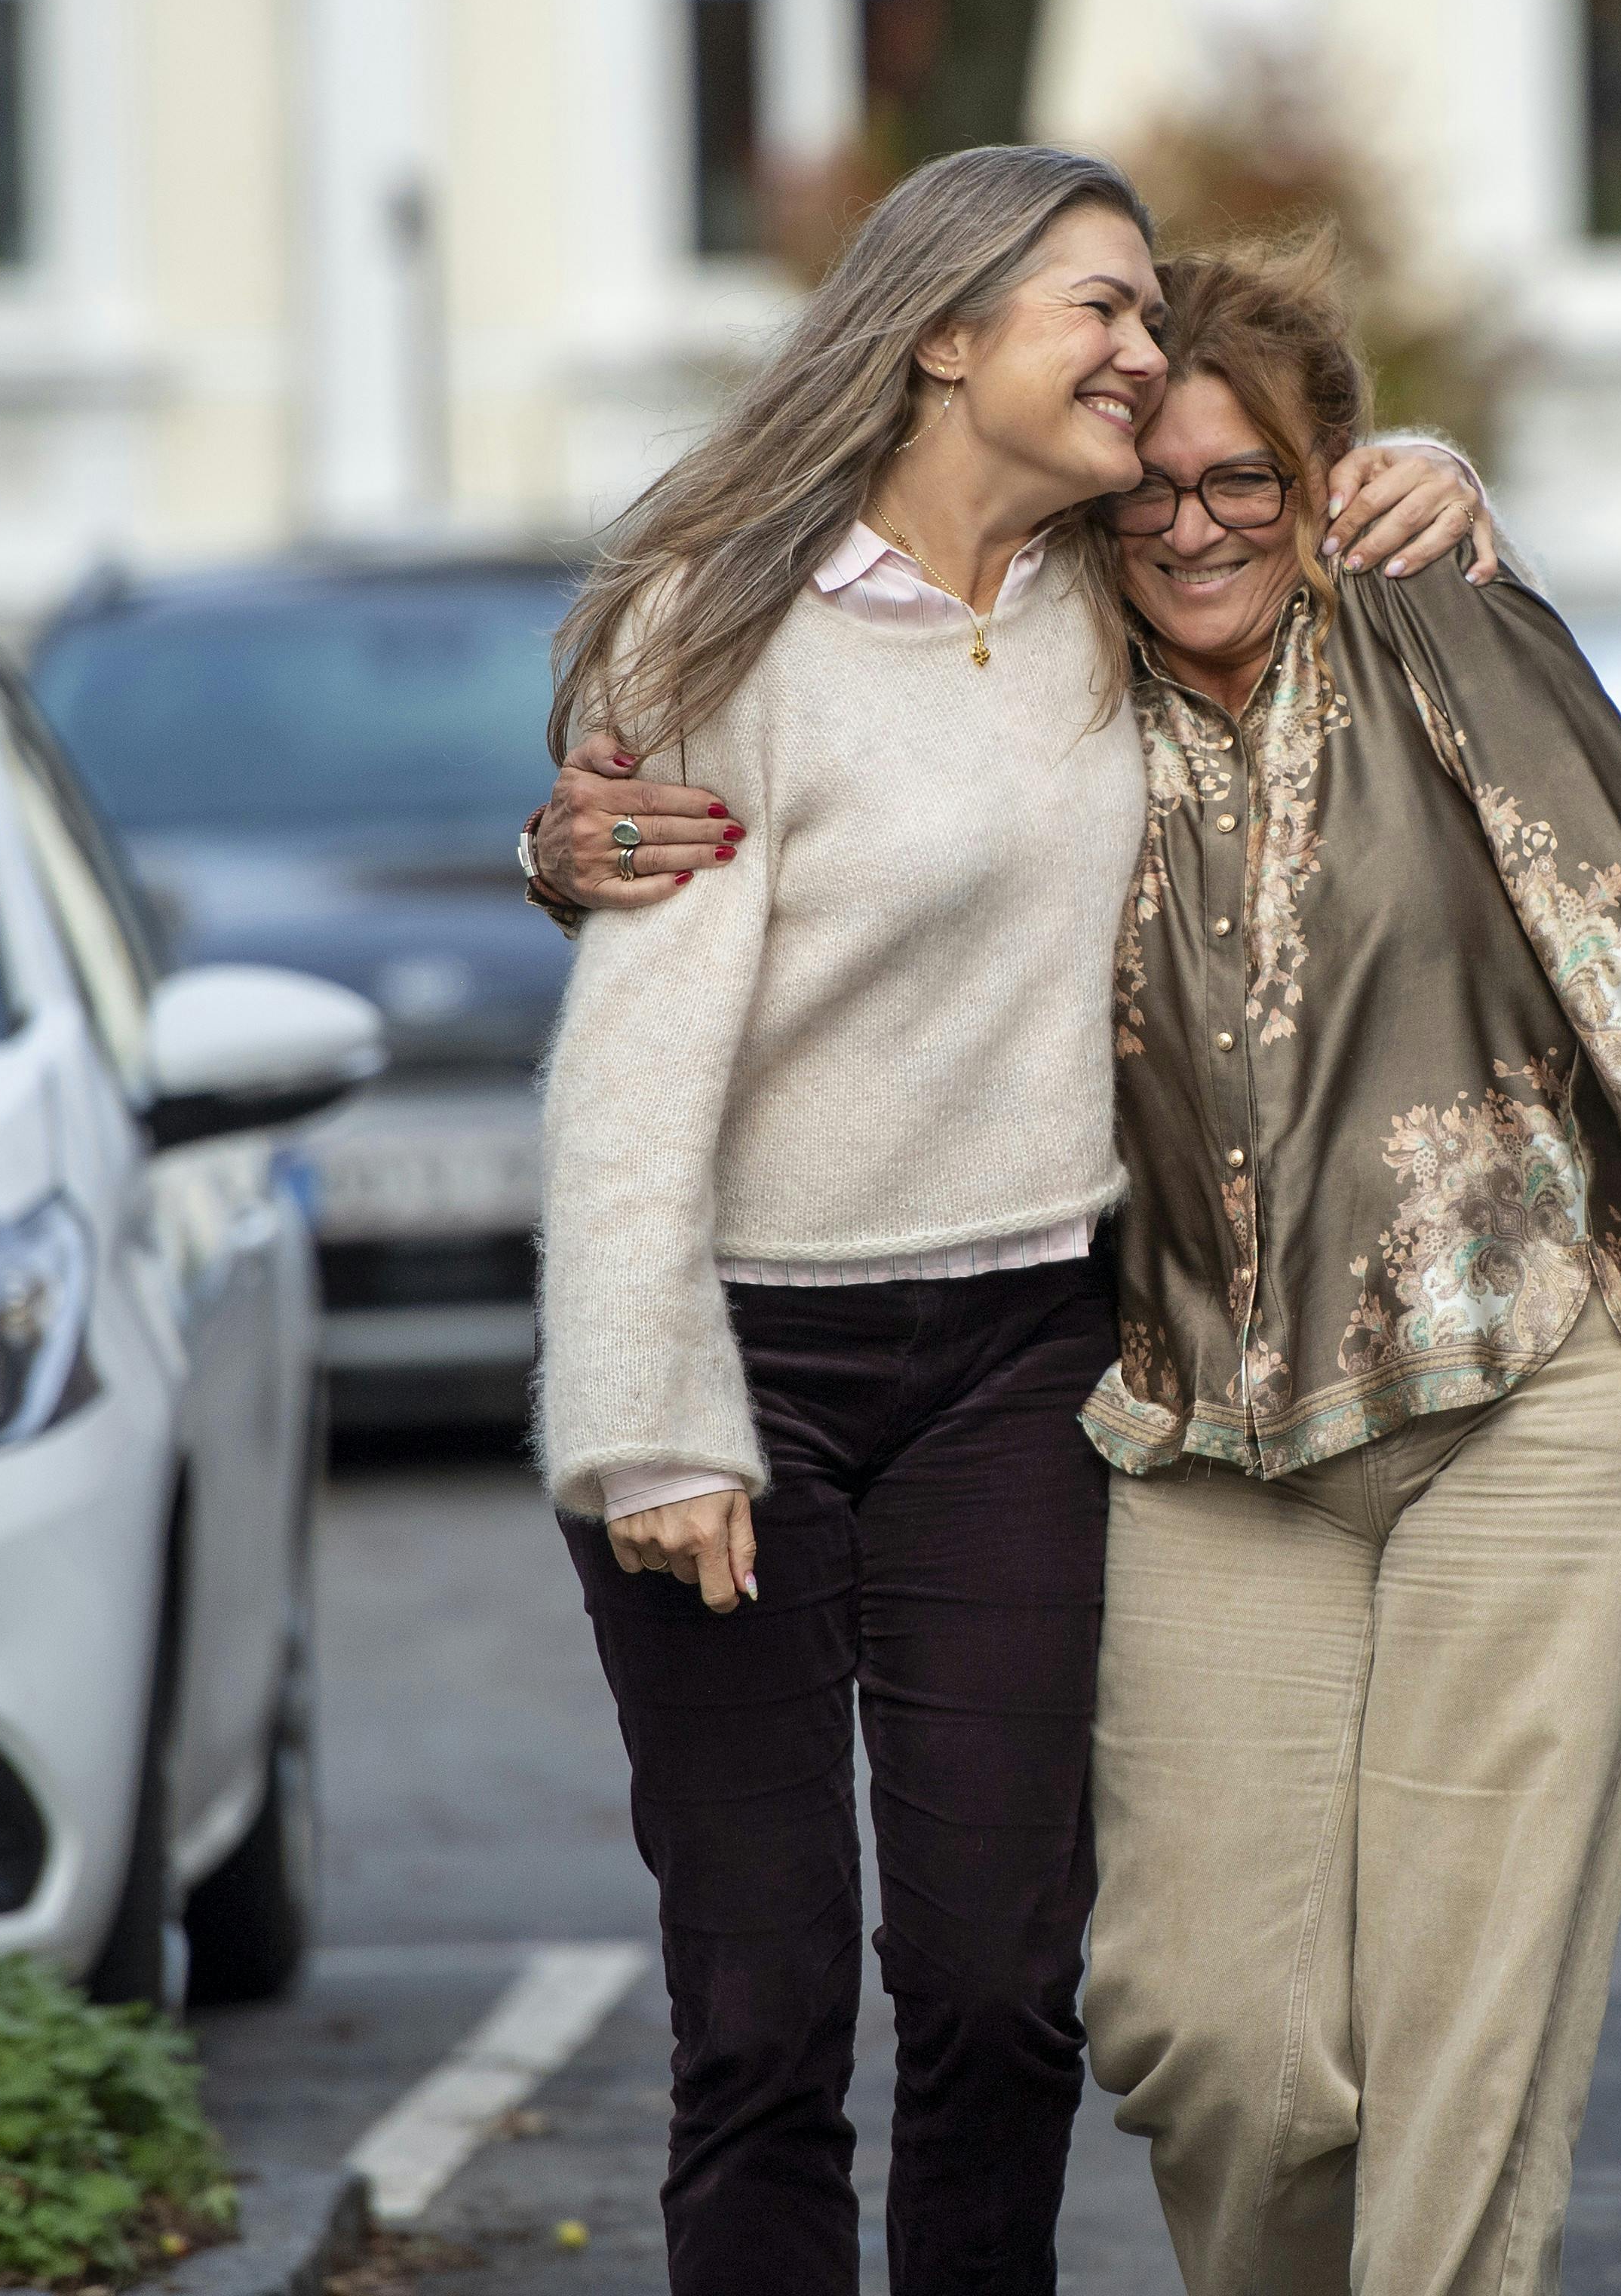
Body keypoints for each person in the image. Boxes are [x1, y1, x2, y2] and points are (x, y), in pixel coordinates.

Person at [537, 240, 1621, 2294]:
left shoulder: (1429, 617)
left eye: (1256, 481)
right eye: (1154, 489)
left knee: (1457, 2019)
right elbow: (797, 791)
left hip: (1534, 1379)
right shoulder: (1051, 663)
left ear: (1326, 483)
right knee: (1205, 2032)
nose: (1201, 523)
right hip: (1196, 1411)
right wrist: (565, 848)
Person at [526, 151, 1489, 2296]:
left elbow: (1288, 531)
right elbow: (635, 1051)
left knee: (993, 1991)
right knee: (762, 2016)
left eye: (1153, 321)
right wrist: (648, 1414)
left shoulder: (1102, 599)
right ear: (944, 332)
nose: (1143, 359)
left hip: (1022, 1361)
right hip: (739, 1377)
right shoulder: (722, 618)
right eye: (1102, 312)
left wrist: (1413, 464)